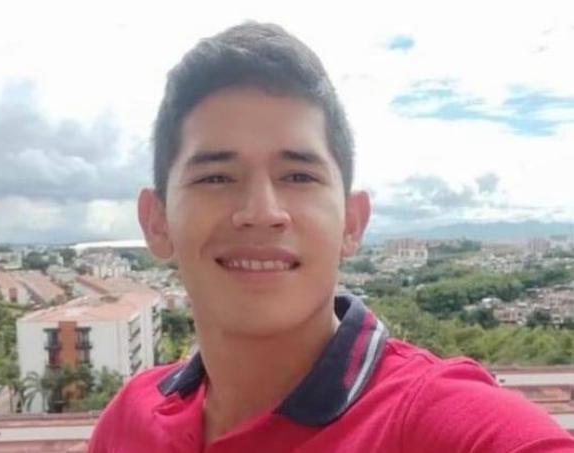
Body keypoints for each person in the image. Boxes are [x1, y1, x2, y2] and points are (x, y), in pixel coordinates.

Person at [88, 22, 574, 452]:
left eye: (298, 176)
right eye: (215, 177)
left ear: (351, 223)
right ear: (157, 222)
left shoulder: (430, 422)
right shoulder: (129, 420)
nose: (262, 213)